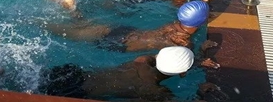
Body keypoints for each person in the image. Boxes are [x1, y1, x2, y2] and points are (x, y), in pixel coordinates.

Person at [37, 46, 219, 100]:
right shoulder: (154, 92)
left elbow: (160, 57)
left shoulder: (140, 60)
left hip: (72, 74)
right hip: (76, 95)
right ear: (182, 74)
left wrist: (193, 60)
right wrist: (201, 92)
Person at [46, 1, 213, 52]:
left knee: (85, 27)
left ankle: (75, 12)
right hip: (121, 43)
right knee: (65, 33)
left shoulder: (174, 24)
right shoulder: (184, 42)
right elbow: (187, 63)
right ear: (203, 21)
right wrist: (203, 49)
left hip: (127, 31)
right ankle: (34, 22)